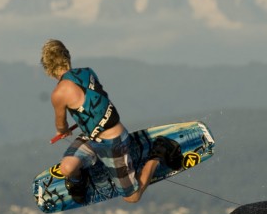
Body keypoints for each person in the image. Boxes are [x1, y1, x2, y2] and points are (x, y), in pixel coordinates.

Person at [40, 39, 181, 204]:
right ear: (67, 56)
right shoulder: (88, 72)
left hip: (114, 142)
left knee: (133, 197)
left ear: (48, 69)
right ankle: (79, 181)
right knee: (67, 168)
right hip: (91, 137)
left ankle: (158, 153)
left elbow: (61, 126)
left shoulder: (58, 94)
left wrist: (62, 131)